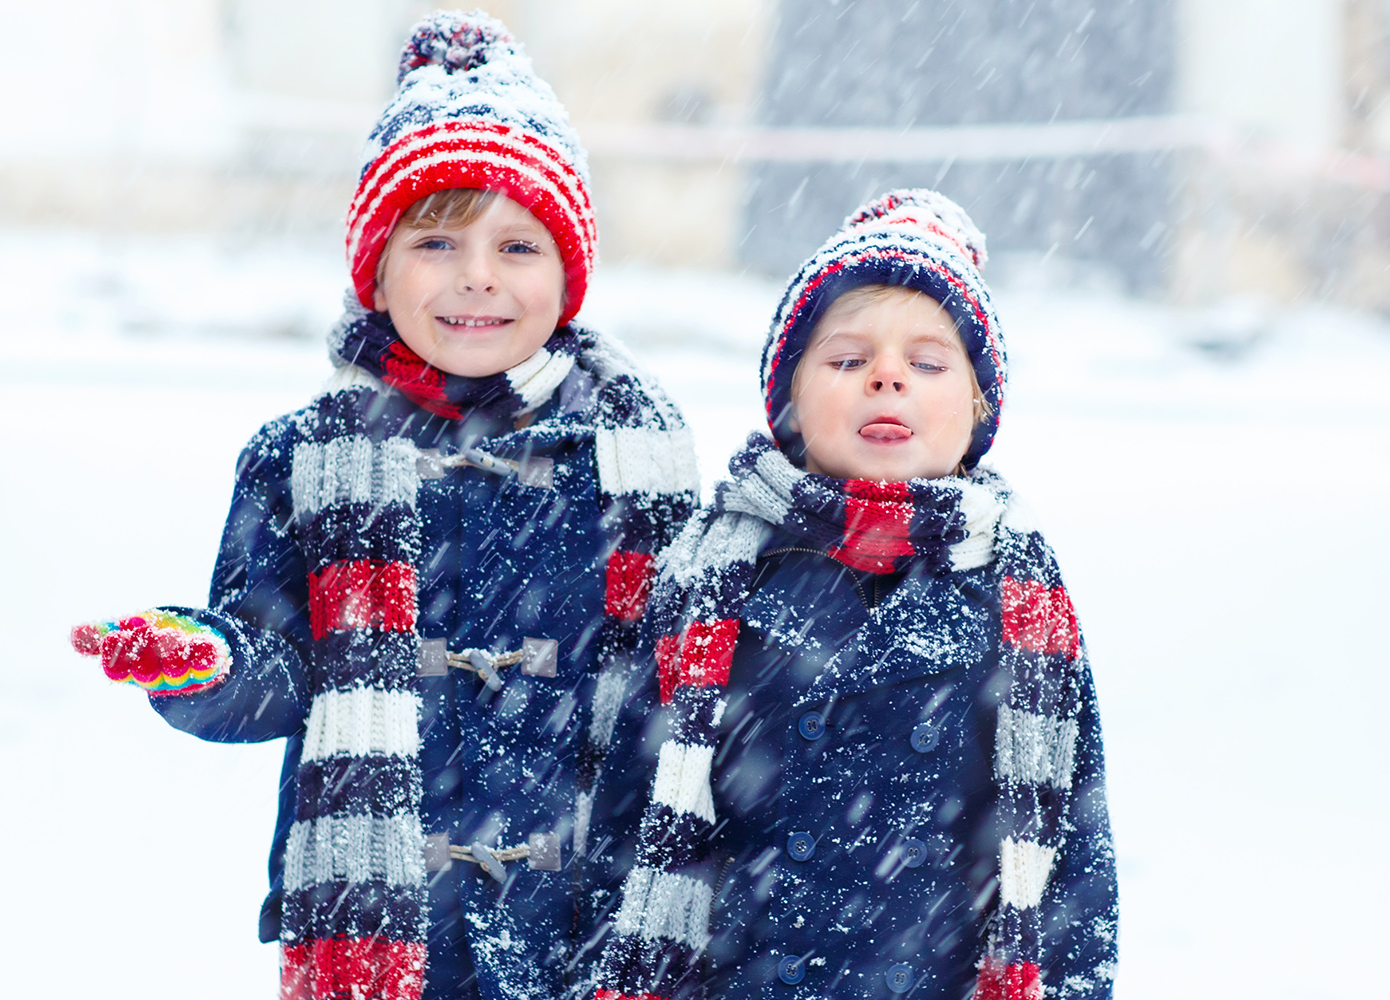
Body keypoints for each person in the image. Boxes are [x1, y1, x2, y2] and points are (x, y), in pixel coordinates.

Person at [67, 12, 697, 1000]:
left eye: (519, 245)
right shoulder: (305, 457)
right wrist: (211, 663)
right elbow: (281, 669)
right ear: (377, 269)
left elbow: (680, 692)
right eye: (437, 241)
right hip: (385, 929)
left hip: (583, 924)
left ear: (569, 272)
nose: (477, 276)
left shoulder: (633, 459)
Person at [591, 190, 1117, 1000]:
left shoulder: (1018, 596)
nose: (887, 378)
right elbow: (626, 820)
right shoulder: (715, 575)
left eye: (928, 363)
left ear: (976, 410)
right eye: (846, 360)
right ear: (790, 405)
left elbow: (1072, 861)